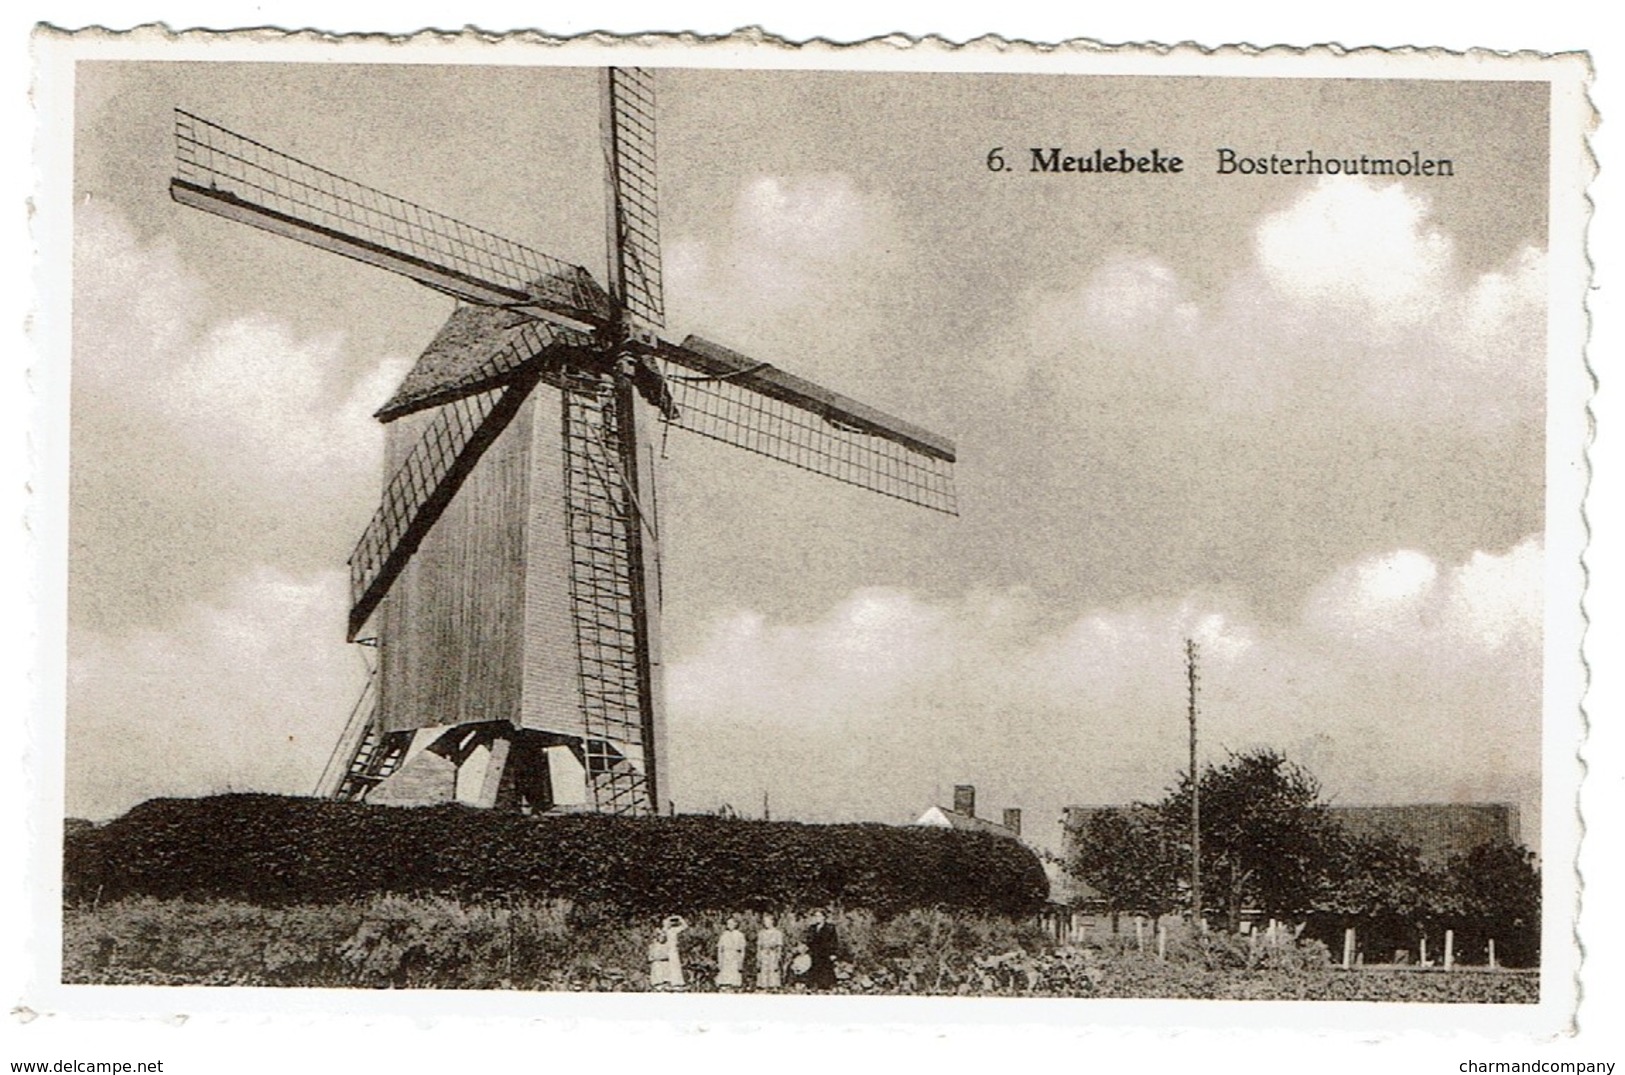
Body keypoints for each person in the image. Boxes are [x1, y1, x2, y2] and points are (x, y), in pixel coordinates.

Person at [648, 914, 688, 989]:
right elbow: (658, 939)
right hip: (666, 951)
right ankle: (668, 983)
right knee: (665, 967)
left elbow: (684, 926)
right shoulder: (662, 931)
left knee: (675, 966)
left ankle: (677, 983)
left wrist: (679, 918)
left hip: (673, 950)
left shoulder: (673, 930)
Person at [804, 908, 839, 991]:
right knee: (815, 968)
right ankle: (815, 985)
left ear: (824, 917)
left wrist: (833, 953)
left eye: (819, 916)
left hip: (826, 952)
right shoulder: (812, 928)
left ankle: (828, 985)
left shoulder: (830, 927)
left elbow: (834, 941)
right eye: (815, 916)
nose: (817, 918)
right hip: (815, 952)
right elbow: (809, 940)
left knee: (826, 968)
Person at [755, 913, 785, 989]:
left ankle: (773, 985)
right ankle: (763, 985)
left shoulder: (777, 933)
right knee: (764, 969)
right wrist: (758, 956)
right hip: (764, 953)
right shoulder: (761, 933)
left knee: (773, 968)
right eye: (765, 921)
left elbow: (779, 946)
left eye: (767, 921)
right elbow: (759, 946)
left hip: (773, 953)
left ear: (772, 921)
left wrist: (778, 956)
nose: (766, 923)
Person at [716, 916, 746, 989]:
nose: (729, 925)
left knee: (734, 974)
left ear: (736, 924)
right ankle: (725, 986)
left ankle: (734, 986)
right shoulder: (724, 934)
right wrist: (719, 961)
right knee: (725, 974)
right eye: (728, 924)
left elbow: (742, 949)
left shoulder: (740, 935)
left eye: (731, 923)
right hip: (726, 956)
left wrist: (741, 961)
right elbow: (720, 949)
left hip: (735, 956)